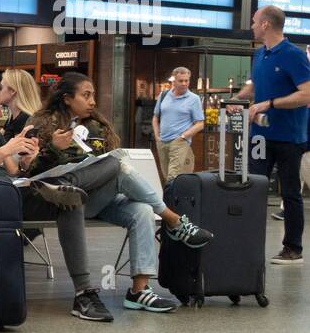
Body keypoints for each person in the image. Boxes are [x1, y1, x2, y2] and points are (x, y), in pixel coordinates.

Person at [27, 72, 213, 313]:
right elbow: (28, 170)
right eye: (86, 95)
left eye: (93, 95)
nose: (93, 101)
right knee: (117, 166)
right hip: (60, 199)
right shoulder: (41, 122)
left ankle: (139, 290)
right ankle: (174, 221)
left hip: (97, 196)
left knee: (142, 209)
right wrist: (52, 149)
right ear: (66, 99)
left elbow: (109, 159)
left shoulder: (97, 125)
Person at [0, 79, 115, 322]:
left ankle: (84, 293)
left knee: (88, 183)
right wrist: (4, 151)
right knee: (69, 197)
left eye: (0, 106)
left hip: (16, 195)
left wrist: (27, 157)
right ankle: (84, 292)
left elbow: (13, 171)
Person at [234, 5, 310, 264]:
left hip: (289, 137)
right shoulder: (260, 54)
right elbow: (256, 85)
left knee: (289, 192)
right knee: (254, 188)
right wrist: (237, 99)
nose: (252, 26)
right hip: (260, 136)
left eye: (255, 21)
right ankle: (248, 244)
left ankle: (293, 248)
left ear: (266, 24)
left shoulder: (293, 55)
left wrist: (270, 104)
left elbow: (306, 94)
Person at [152, 66, 205, 183]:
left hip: (179, 142)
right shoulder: (164, 95)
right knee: (166, 176)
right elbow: (156, 117)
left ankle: (168, 201)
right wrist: (157, 136)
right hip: (162, 141)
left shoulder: (193, 99)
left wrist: (183, 137)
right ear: (174, 81)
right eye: (181, 81)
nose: (184, 83)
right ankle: (172, 200)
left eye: (187, 80)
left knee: (172, 177)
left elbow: (200, 124)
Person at [0, 68, 43, 139]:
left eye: (1, 87)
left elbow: (16, 149)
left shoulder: (23, 120)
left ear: (12, 91)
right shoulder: (13, 117)